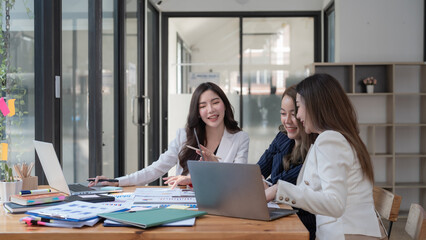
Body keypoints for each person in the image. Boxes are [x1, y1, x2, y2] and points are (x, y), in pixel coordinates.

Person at [265, 73, 384, 240]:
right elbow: (314, 192)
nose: (298, 116)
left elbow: (335, 203)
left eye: (299, 107)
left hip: (347, 235)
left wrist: (279, 190)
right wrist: (275, 189)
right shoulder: (336, 138)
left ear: (315, 106)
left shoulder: (330, 140)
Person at [89, 82, 249, 187]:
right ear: (198, 113)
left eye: (215, 102)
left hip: (220, 207)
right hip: (184, 205)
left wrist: (204, 173)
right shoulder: (184, 136)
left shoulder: (240, 139)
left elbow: (237, 182)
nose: (211, 110)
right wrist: (116, 182)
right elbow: (156, 169)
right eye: (203, 106)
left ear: (225, 105)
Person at [257, 85, 317, 240]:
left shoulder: (316, 149)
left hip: (302, 223)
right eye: (283, 113)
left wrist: (267, 184)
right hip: (280, 215)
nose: (287, 121)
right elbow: (258, 170)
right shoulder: (282, 137)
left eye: (294, 114)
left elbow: (283, 185)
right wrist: (265, 183)